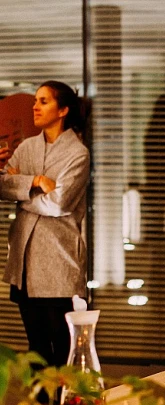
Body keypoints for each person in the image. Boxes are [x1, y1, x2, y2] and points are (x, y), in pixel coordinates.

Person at [0, 80, 90, 367]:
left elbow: (60, 203)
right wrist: (37, 182)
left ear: (63, 110)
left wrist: (21, 190)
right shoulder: (27, 147)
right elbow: (2, 186)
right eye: (35, 100)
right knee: (36, 348)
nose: (34, 106)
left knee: (63, 350)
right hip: (25, 262)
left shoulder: (78, 153)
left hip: (57, 265)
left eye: (43, 101)